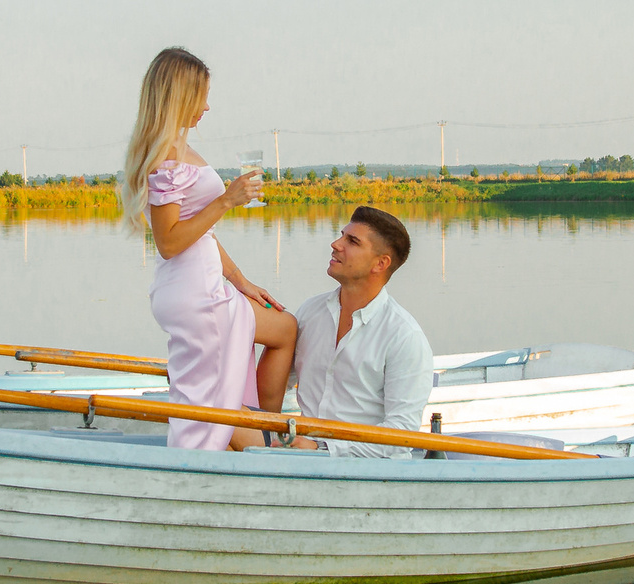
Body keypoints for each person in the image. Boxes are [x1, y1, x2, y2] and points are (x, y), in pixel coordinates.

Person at [119, 48, 296, 450]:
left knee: (284, 328)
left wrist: (242, 281)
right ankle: (252, 452)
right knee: (209, 402)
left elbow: (202, 237)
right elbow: (169, 242)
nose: (207, 106)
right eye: (201, 95)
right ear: (179, 96)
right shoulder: (166, 158)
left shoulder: (177, 150)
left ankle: (262, 436)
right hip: (195, 291)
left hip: (202, 281)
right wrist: (226, 201)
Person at [284, 206, 433, 457]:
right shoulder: (310, 312)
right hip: (303, 454)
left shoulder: (404, 336)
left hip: (367, 471)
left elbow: (402, 433)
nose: (335, 244)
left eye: (351, 241)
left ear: (380, 263)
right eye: (342, 235)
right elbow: (276, 386)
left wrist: (324, 447)